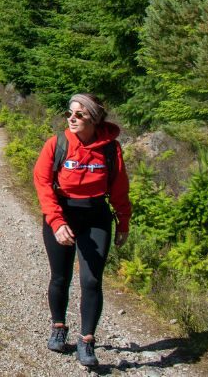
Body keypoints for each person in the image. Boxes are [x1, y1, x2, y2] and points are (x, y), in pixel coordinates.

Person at [32, 93, 131, 368]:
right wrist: (56, 221)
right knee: (60, 277)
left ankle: (87, 341)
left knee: (91, 280)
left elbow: (120, 188)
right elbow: (42, 182)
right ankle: (58, 327)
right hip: (63, 212)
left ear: (94, 119)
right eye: (69, 114)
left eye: (78, 115)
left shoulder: (110, 149)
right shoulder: (57, 144)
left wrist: (123, 221)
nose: (71, 119)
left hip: (96, 216)